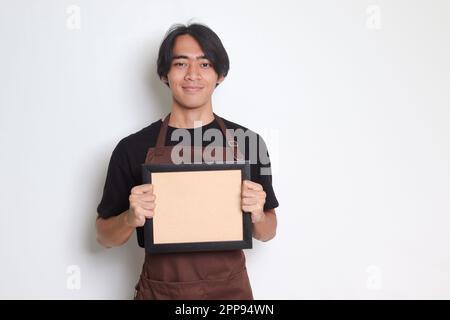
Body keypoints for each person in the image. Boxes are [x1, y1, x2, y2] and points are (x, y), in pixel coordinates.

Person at [96, 22, 279, 300]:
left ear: (220, 74)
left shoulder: (248, 143)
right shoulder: (132, 148)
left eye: (205, 64)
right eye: (181, 64)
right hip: (161, 290)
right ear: (164, 74)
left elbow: (268, 232)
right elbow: (104, 237)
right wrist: (130, 218)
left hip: (230, 293)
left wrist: (257, 214)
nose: (193, 74)